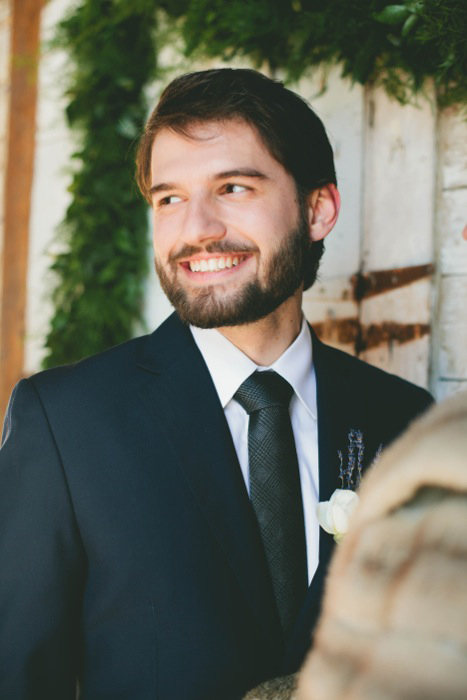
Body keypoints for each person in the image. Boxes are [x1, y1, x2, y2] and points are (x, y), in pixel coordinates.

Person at [0, 68, 432, 700]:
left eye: (232, 187)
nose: (196, 228)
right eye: (169, 198)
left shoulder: (404, 418)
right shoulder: (65, 423)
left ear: (318, 209)